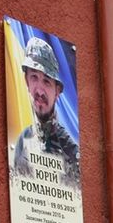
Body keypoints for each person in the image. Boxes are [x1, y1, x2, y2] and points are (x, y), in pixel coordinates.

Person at [11, 36, 79, 186]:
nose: (39, 90)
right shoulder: (22, 141)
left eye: (47, 81)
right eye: (34, 77)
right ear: (26, 82)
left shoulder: (70, 150)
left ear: (57, 91)